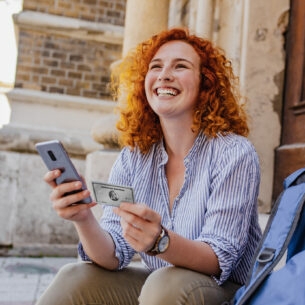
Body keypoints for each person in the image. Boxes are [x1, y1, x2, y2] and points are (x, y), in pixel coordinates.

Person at [36, 27, 262, 305]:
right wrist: (82, 218)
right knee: (74, 278)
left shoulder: (234, 153)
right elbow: (113, 254)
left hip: (228, 292)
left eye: (180, 66)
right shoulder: (134, 157)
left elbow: (218, 258)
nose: (165, 74)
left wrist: (160, 242)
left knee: (165, 283)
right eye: (156, 66)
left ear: (206, 84)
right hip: (160, 287)